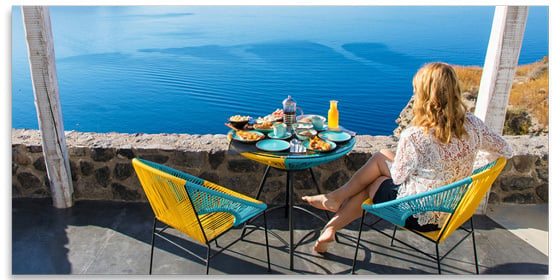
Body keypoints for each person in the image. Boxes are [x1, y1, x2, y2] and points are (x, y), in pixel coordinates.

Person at [302, 62, 513, 253]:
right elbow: (505, 149)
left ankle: (333, 212)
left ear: (425, 96)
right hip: (454, 209)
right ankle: (331, 218)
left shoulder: (416, 135)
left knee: (373, 181)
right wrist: (469, 171)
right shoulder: (474, 125)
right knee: (380, 158)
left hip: (416, 215)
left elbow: (398, 177)